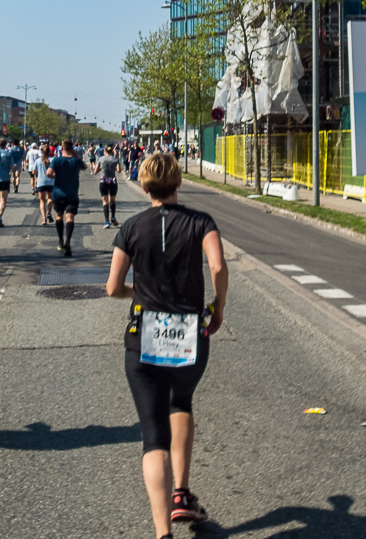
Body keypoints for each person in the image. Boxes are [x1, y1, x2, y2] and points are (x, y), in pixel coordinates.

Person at [106, 152, 228, 539]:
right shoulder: (201, 222)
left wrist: (135, 292)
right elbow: (219, 267)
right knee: (182, 402)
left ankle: (163, 534)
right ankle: (181, 493)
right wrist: (217, 306)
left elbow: (112, 288)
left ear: (144, 186)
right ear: (178, 183)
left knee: (153, 434)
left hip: (144, 333)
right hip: (190, 329)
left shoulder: (130, 227)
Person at [46, 140, 86, 256]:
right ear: (72, 149)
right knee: (70, 217)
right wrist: (76, 155)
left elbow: (48, 173)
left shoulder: (56, 161)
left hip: (58, 193)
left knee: (59, 216)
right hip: (72, 193)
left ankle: (60, 241)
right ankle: (68, 241)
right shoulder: (76, 161)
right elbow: (84, 167)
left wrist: (55, 175)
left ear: (62, 148)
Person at [94, 145, 120, 228]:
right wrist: (113, 168)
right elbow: (119, 170)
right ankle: (113, 216)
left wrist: (101, 169)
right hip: (113, 181)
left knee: (105, 202)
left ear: (105, 151)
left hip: (103, 181)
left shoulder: (101, 159)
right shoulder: (115, 159)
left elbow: (95, 172)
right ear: (112, 151)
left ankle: (106, 222)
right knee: (112, 200)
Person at [32, 143, 55, 225]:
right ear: (49, 152)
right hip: (51, 182)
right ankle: (49, 212)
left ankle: (44, 218)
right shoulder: (53, 160)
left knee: (42, 201)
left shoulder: (38, 161)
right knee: (50, 199)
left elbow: (33, 171)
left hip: (41, 182)